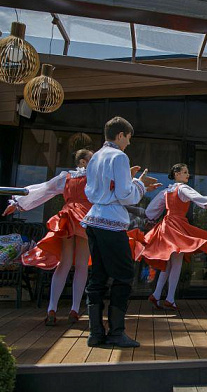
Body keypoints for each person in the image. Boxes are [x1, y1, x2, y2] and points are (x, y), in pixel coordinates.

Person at [81, 116, 160, 348]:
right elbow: (127, 195)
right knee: (124, 275)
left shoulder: (95, 157)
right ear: (120, 135)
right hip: (111, 222)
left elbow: (91, 190)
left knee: (98, 276)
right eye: (128, 138)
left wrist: (131, 181)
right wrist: (140, 184)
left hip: (94, 220)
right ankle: (116, 333)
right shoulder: (119, 156)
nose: (129, 143)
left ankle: (95, 334)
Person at [3, 149, 94, 325]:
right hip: (85, 218)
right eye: (92, 158)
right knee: (82, 265)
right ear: (83, 162)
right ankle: (74, 309)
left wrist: (17, 203)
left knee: (65, 263)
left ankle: (52, 308)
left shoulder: (66, 177)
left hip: (69, 217)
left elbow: (44, 189)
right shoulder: (94, 177)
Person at [141, 163, 207, 311]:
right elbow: (198, 198)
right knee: (176, 263)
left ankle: (157, 295)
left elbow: (151, 211)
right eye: (185, 172)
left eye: (187, 172)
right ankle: (169, 299)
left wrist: (151, 220)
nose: (188, 175)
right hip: (177, 226)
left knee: (167, 264)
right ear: (176, 174)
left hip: (166, 226)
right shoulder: (182, 188)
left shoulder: (166, 191)